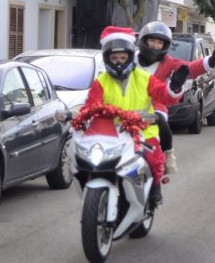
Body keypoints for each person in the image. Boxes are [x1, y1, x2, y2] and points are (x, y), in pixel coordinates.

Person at [81, 26, 189, 205]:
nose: (118, 62)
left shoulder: (145, 78)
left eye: (123, 58)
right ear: (107, 59)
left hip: (143, 130)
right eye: (114, 58)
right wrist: (82, 118)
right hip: (110, 133)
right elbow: (90, 106)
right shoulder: (100, 82)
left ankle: (155, 188)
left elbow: (165, 96)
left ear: (130, 57)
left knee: (154, 160)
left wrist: (175, 86)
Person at [136, 21, 215, 173]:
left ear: (165, 45)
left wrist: (213, 61)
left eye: (159, 42)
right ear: (143, 40)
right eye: (152, 40)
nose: (155, 45)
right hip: (125, 104)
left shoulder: (169, 63)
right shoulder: (130, 59)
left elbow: (190, 68)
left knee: (161, 123)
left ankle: (166, 156)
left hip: (154, 106)